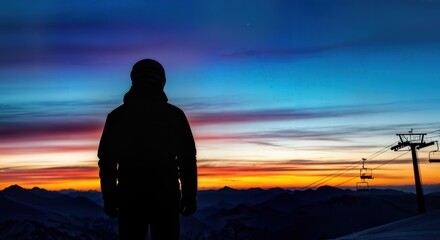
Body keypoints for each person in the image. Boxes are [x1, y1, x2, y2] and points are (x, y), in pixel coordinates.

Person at [97, 58, 198, 240]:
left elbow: (107, 163)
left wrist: (110, 199)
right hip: (166, 198)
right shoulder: (174, 116)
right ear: (162, 81)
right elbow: (187, 160)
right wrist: (189, 196)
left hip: (130, 198)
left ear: (134, 80)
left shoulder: (117, 117)